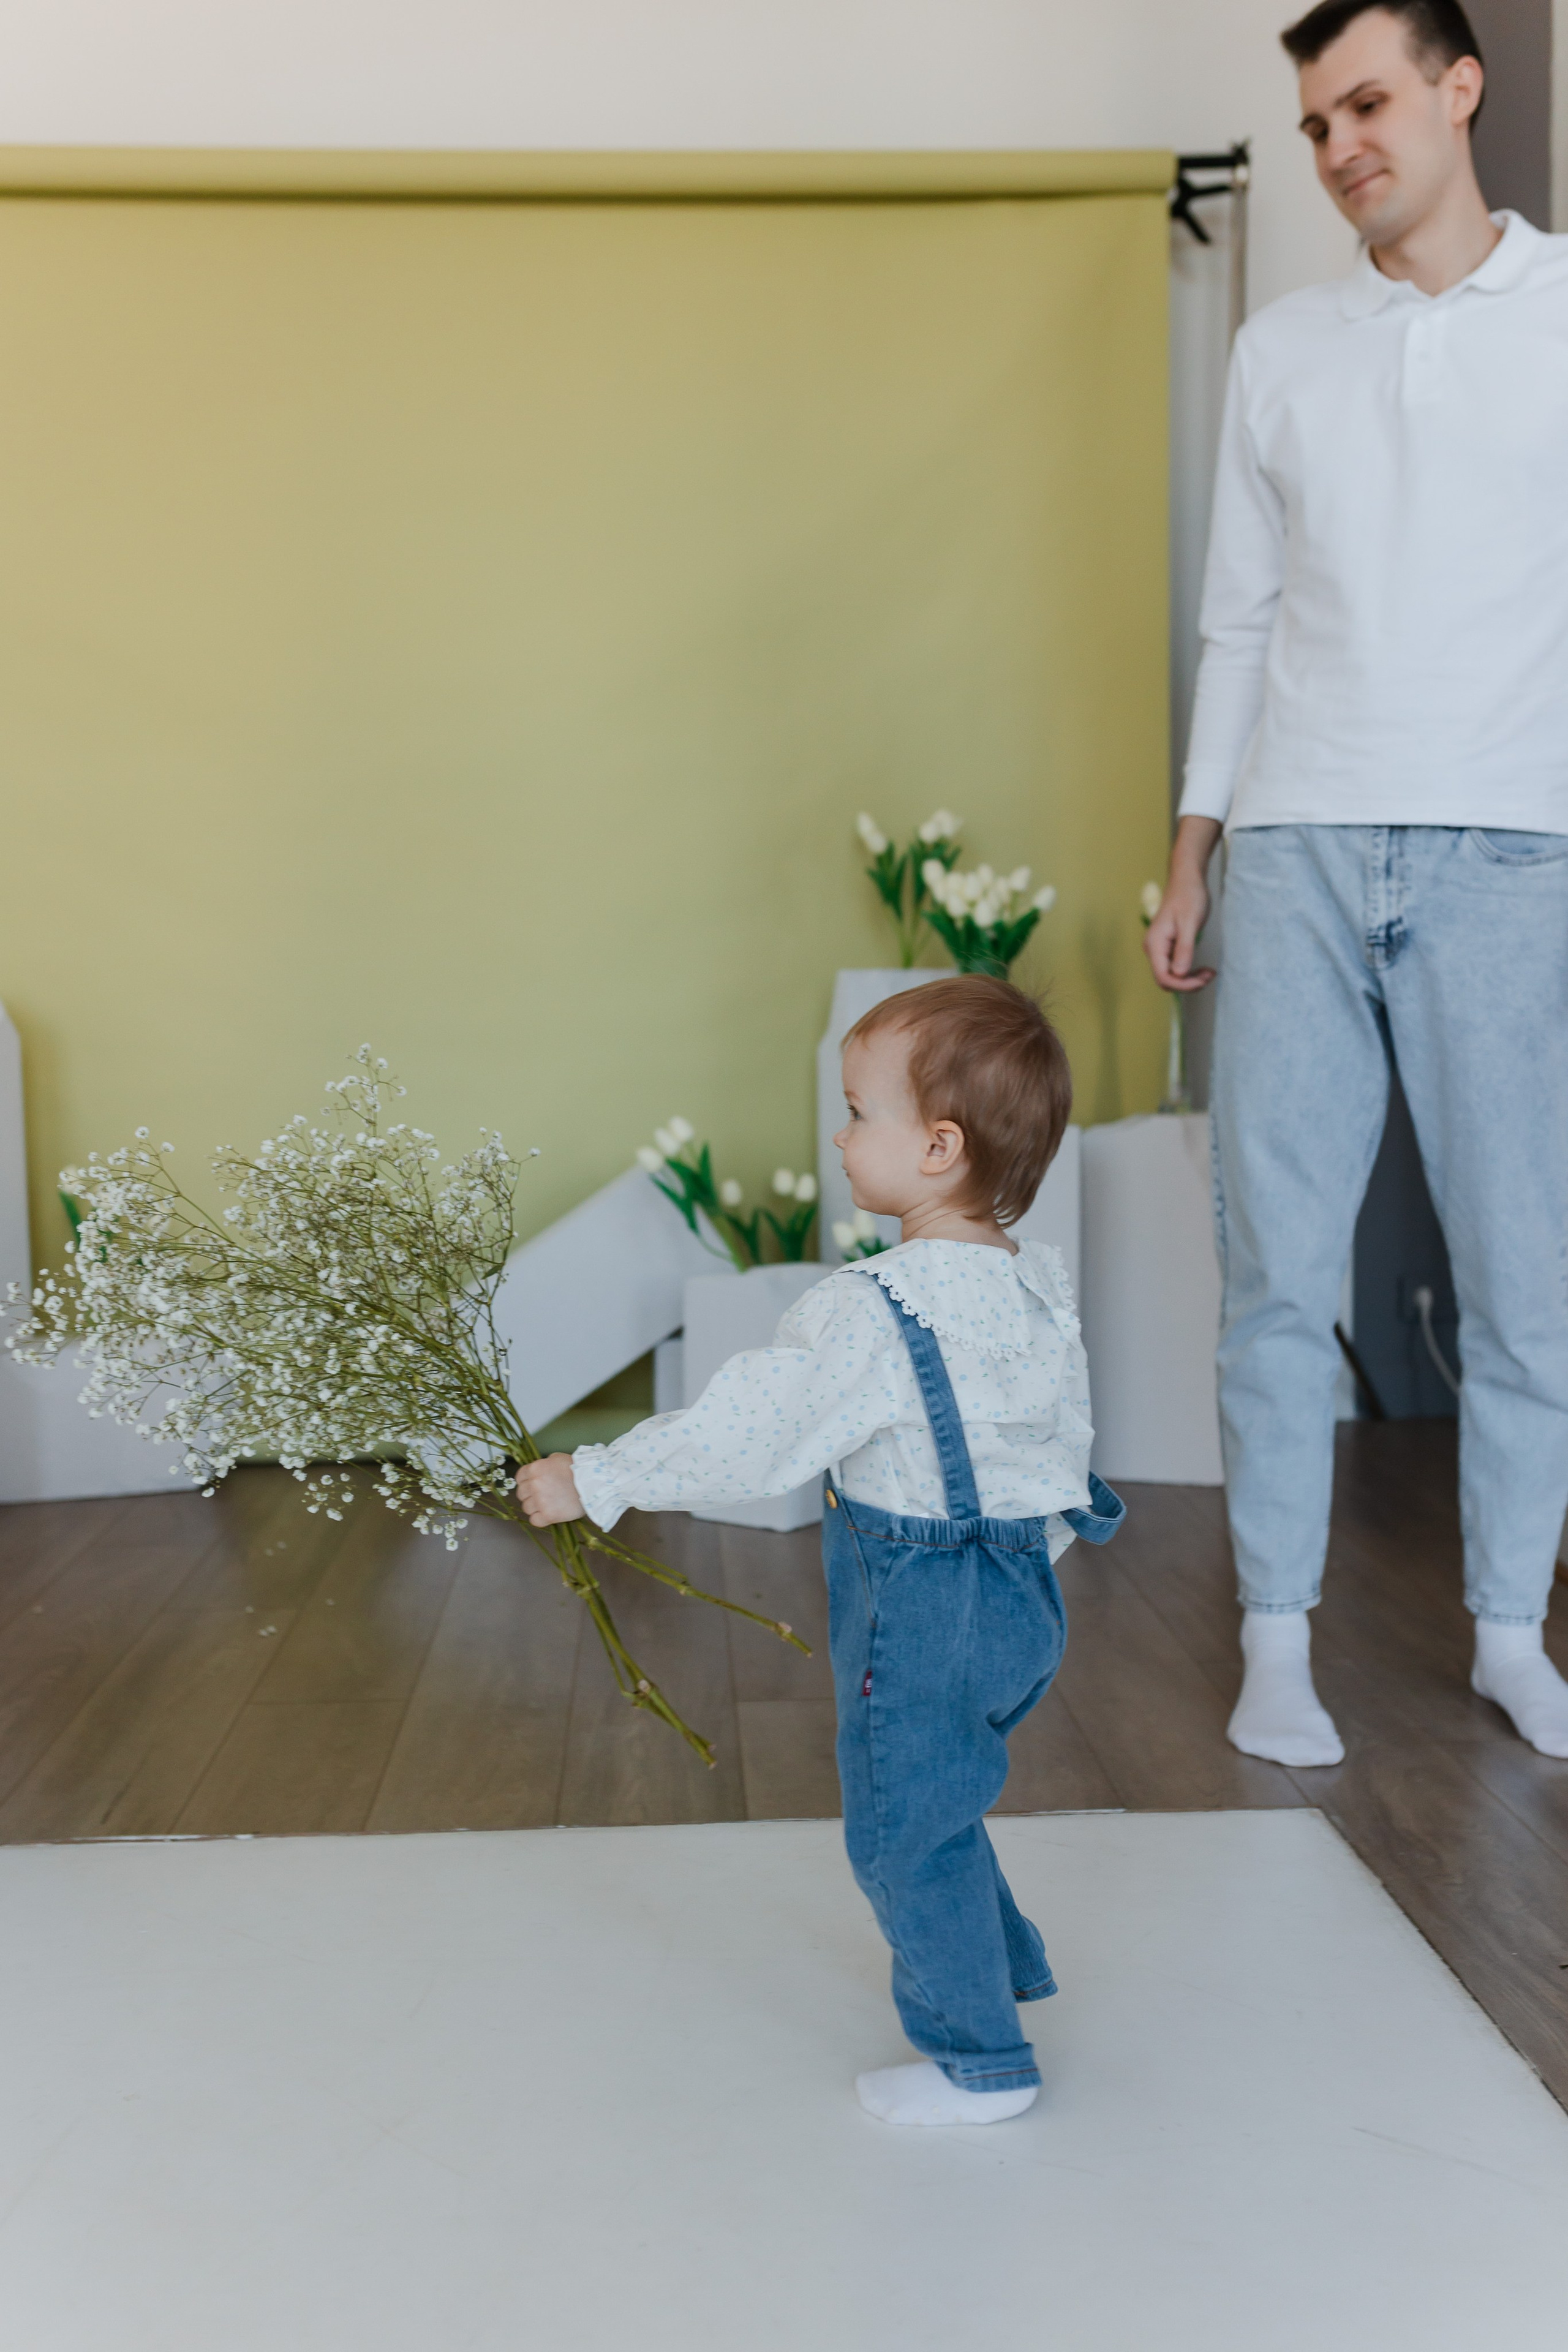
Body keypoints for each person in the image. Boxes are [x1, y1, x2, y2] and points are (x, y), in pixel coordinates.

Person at [1144, 0, 1568, 1766]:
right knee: (1276, 1272)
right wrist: (1195, 844)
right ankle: (1274, 1638)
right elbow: (1237, 616)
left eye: (1368, 106)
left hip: (1507, 849)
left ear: (1461, 91)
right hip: (1301, 847)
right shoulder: (1285, 350)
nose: (1340, 152)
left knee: (1524, 1277)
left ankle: (1504, 1632)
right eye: (1316, 125)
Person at [516, 975, 1123, 2127]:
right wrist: (1029, 1560)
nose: (839, 1137)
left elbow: (753, 1432)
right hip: (1023, 1597)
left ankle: (979, 2059)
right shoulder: (1035, 1287)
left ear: (938, 1146)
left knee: (900, 1827)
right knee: (948, 1797)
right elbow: (1059, 1444)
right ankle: (1002, 1968)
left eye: (857, 1112)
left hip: (924, 1603)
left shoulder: (876, 1307)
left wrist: (597, 1477)